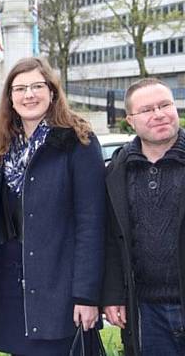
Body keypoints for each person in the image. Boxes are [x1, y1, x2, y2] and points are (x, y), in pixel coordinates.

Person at [0, 57, 107, 355]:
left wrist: (87, 296)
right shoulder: (3, 149)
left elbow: (92, 224)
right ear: (10, 99)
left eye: (37, 86)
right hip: (11, 285)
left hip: (59, 287)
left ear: (52, 92)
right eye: (20, 89)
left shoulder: (79, 142)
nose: (29, 95)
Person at [102, 78, 185, 355]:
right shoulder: (118, 170)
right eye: (148, 110)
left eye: (165, 105)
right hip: (146, 312)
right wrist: (113, 295)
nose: (159, 114)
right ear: (130, 120)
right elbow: (113, 240)